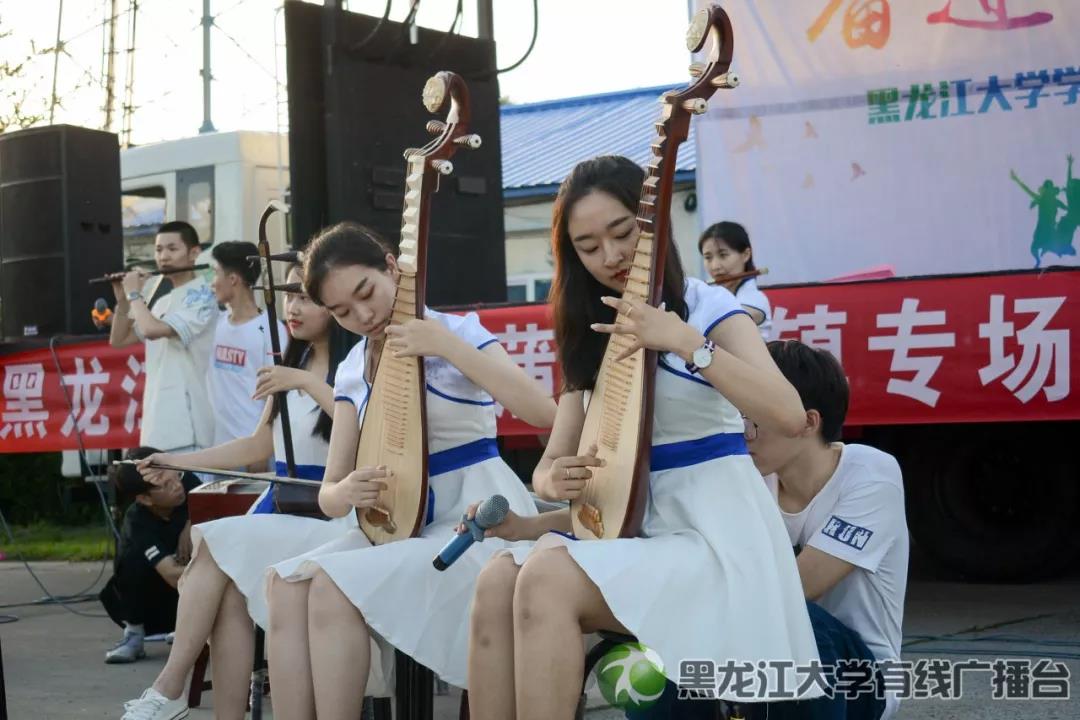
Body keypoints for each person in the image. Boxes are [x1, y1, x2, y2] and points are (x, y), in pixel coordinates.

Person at [464, 155, 820, 720]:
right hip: (629, 530)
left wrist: (685, 343)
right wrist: (555, 479)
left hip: (715, 539)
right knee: (497, 578)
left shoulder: (709, 307)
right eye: (588, 246)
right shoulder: (589, 329)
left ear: (652, 225)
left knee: (546, 577)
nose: (610, 255)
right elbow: (548, 467)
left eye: (623, 232)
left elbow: (788, 414)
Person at [262, 222, 557, 720]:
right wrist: (346, 491)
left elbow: (542, 413)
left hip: (475, 523)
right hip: (393, 525)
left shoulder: (458, 333)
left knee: (331, 584)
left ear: (391, 267)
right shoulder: (353, 367)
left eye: (366, 293)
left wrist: (445, 346)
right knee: (286, 587)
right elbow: (329, 494)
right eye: (342, 312)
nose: (363, 316)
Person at [118, 263, 357, 720]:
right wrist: (176, 461)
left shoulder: (358, 364)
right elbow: (256, 445)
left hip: (331, 511)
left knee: (213, 542)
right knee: (227, 595)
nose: (292, 307)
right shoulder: (292, 365)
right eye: (288, 295)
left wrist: (307, 383)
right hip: (282, 505)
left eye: (304, 297)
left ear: (334, 301)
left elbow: (364, 426)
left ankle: (169, 687)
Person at [109, 221, 219, 456]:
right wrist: (123, 301)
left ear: (194, 253)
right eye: (159, 250)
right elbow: (119, 340)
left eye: (172, 249)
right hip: (157, 423)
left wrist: (134, 293)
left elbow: (151, 330)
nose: (164, 257)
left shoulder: (203, 297)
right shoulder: (162, 302)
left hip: (188, 425)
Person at [100, 447, 200, 665]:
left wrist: (193, 522)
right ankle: (134, 634)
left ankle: (190, 626)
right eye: (165, 485)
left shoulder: (187, 481)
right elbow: (171, 575)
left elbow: (216, 509)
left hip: (191, 594)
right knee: (132, 559)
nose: (177, 486)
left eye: (176, 476)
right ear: (145, 499)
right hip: (154, 601)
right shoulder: (137, 522)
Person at [207, 241, 286, 451]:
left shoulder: (271, 329)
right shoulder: (214, 324)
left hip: (251, 448)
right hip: (217, 448)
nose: (212, 284)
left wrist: (259, 449)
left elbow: (276, 393)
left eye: (216, 273)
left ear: (233, 279)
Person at [698, 221, 772, 340]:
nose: (715, 266)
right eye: (708, 258)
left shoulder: (756, 299)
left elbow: (721, 323)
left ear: (746, 255)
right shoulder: (711, 294)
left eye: (723, 255)